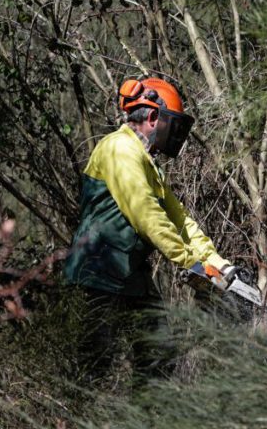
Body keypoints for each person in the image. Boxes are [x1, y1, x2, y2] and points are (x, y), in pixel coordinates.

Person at [64, 75, 238, 382]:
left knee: (159, 355)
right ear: (154, 117)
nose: (175, 136)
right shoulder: (119, 149)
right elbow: (146, 213)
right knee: (93, 367)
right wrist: (190, 262)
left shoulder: (147, 163)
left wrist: (216, 263)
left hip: (131, 276)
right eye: (173, 126)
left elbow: (179, 220)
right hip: (97, 274)